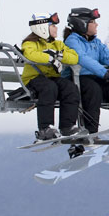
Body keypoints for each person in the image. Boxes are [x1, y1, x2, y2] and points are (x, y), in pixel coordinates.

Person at [63, 7, 109, 138]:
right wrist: (105, 73)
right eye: (93, 21)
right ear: (82, 23)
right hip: (78, 77)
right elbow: (83, 58)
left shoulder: (95, 42)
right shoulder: (72, 41)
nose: (96, 24)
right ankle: (90, 129)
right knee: (93, 90)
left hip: (95, 76)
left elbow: (107, 55)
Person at [20, 12, 82, 141]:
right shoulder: (30, 43)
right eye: (52, 25)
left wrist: (59, 56)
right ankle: (45, 128)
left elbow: (74, 57)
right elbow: (31, 55)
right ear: (42, 27)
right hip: (33, 79)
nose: (56, 28)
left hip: (51, 78)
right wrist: (49, 57)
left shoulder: (57, 44)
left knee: (69, 88)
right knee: (49, 88)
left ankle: (67, 126)